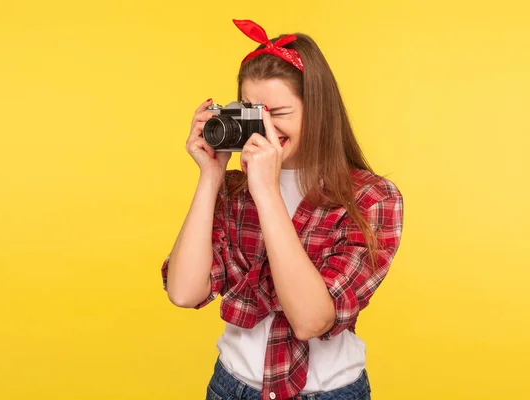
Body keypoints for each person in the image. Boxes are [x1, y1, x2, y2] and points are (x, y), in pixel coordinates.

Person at [161, 19, 404, 400]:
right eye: (252, 111)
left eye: (278, 112)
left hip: (328, 392)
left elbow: (311, 320)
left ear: (317, 110)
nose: (264, 127)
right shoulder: (234, 190)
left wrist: (269, 193)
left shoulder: (372, 199)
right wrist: (211, 176)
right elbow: (184, 292)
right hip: (231, 387)